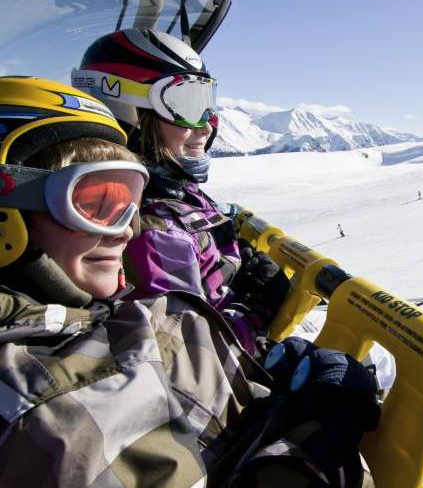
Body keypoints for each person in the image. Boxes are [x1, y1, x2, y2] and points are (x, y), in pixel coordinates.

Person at [0, 77, 381, 487]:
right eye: (96, 203)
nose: (127, 232)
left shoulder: (92, 321)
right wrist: (323, 424)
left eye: (131, 202)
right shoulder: (56, 414)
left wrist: (265, 375)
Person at [72, 29, 290, 356]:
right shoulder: (151, 229)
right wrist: (253, 308)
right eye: (186, 104)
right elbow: (188, 354)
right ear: (126, 108)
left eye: (206, 103)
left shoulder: (175, 190)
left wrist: (226, 262)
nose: (207, 126)